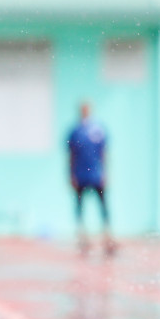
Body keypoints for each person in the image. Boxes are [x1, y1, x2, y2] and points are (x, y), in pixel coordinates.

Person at [67, 101, 115, 256]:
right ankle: (82, 236)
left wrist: (105, 173)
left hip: (96, 174)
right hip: (80, 174)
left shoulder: (98, 129)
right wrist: (71, 174)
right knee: (80, 206)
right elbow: (70, 155)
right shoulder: (75, 131)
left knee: (103, 205)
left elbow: (104, 153)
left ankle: (107, 236)